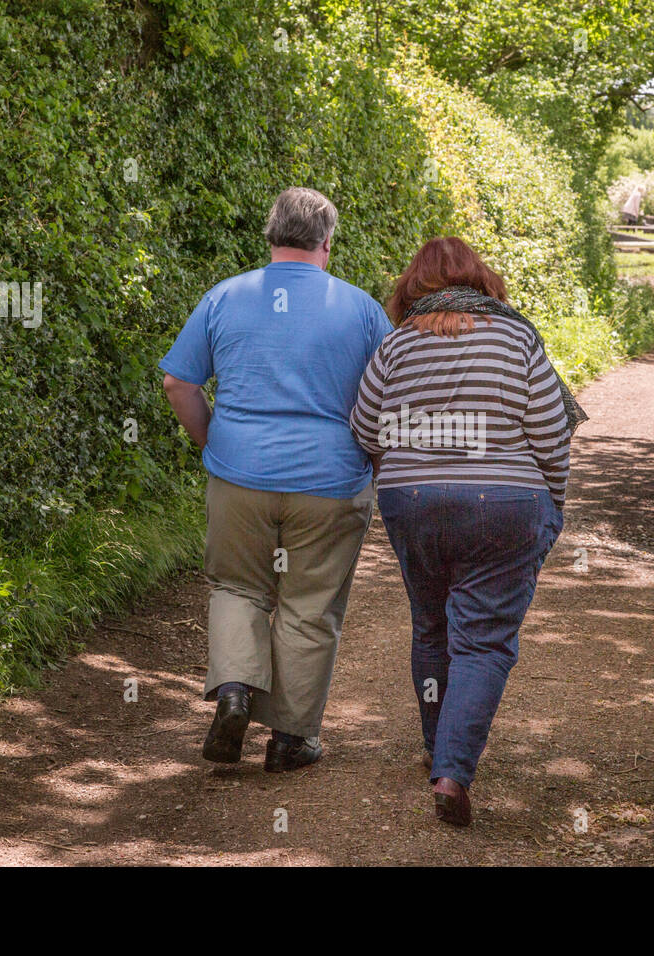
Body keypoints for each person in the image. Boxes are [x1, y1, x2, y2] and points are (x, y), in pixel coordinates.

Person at [160, 187, 391, 773]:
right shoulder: (362, 309)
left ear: (269, 236)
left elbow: (177, 384)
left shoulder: (225, 297)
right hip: (331, 481)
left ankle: (235, 690)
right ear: (327, 243)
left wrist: (217, 443)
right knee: (309, 606)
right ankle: (290, 739)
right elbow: (392, 395)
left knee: (238, 588)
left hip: (240, 475)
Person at [350, 237, 575, 827]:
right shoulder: (517, 338)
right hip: (502, 505)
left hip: (412, 502)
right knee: (481, 640)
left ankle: (437, 745)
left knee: (430, 625)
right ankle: (451, 771)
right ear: (482, 280)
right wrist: (553, 502)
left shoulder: (396, 345)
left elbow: (366, 430)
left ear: (411, 286)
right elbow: (552, 435)